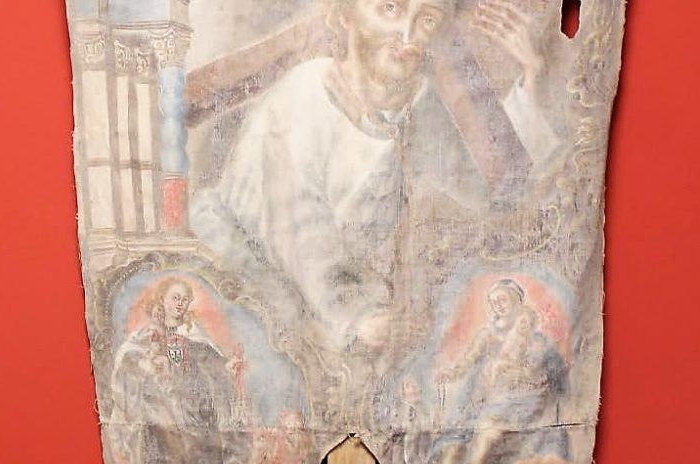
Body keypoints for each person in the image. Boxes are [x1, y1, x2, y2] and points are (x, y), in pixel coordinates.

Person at [192, 0, 560, 352]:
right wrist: (359, 316)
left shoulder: (417, 104)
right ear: (345, 16)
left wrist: (533, 76)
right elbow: (301, 230)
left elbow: (488, 196)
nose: (408, 36)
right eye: (390, 8)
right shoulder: (302, 98)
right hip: (250, 278)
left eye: (427, 20)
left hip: (338, 298)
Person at [109, 278, 245, 464]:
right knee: (159, 436)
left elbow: (213, 361)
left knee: (202, 443)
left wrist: (228, 366)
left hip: (194, 404)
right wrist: (146, 365)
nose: (180, 303)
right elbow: (129, 356)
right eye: (175, 298)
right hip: (162, 404)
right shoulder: (149, 333)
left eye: (184, 299)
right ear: (162, 300)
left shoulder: (194, 333)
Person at [427, 278, 568, 464]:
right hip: (489, 397)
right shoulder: (487, 334)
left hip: (522, 399)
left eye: (502, 300)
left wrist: (508, 369)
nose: (498, 306)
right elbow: (468, 361)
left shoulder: (536, 340)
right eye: (493, 302)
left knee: (487, 427)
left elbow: (545, 374)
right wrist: (450, 373)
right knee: (456, 435)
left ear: (516, 301)